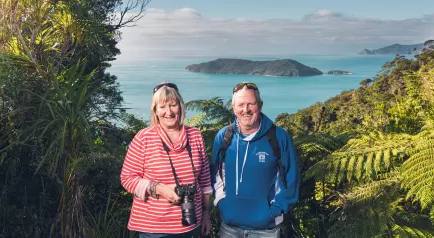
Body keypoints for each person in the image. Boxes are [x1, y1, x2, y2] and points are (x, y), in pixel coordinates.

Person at [120, 82, 212, 238]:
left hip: (191, 224)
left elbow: (205, 181)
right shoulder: (144, 138)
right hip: (154, 228)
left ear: (180, 107)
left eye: (173, 105)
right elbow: (127, 178)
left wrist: (206, 214)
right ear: (155, 110)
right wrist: (159, 188)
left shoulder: (195, 135)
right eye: (162, 107)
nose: (168, 112)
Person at [210, 82, 300, 238]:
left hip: (267, 229)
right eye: (241, 105)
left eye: (251, 104)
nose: (246, 110)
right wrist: (221, 202)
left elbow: (290, 179)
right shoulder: (224, 137)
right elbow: (216, 173)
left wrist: (274, 211)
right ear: (233, 107)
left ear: (260, 105)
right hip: (229, 227)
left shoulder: (278, 137)